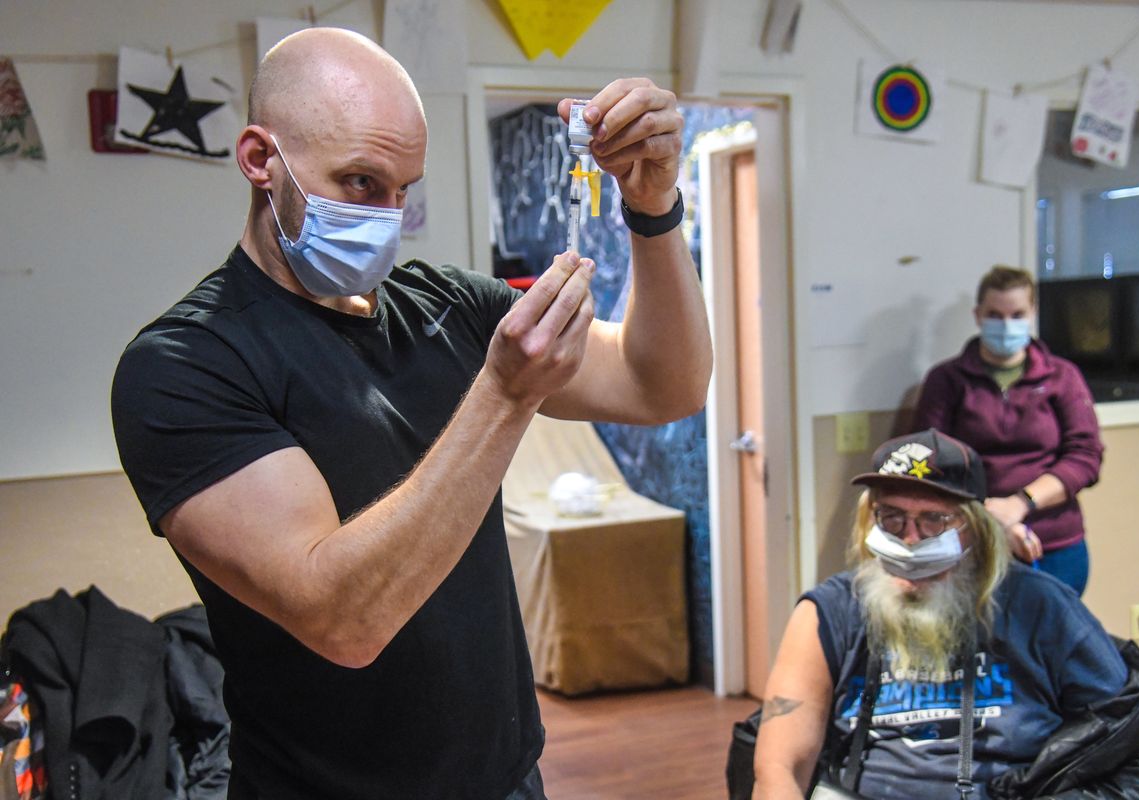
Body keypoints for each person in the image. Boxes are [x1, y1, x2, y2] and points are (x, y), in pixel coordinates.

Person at [110, 28, 712, 800]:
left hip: (505, 779)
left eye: (404, 190)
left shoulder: (448, 306)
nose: (387, 217)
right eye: (360, 182)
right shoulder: (186, 365)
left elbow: (662, 385)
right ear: (261, 160)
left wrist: (654, 209)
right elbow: (343, 619)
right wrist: (505, 393)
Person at [751, 429, 1139, 800]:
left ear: (974, 526)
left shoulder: (1042, 607)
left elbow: (1129, 740)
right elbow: (778, 768)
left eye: (934, 521)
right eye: (892, 518)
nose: (910, 539)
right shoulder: (830, 611)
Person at [912, 265, 1103, 594]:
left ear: (1032, 314)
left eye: (1017, 314)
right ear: (977, 315)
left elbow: (1085, 457)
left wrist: (1020, 505)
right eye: (995, 315)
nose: (1006, 324)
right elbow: (927, 462)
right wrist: (992, 519)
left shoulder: (1062, 377)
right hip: (971, 542)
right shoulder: (946, 380)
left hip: (1055, 545)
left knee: (1053, 641)